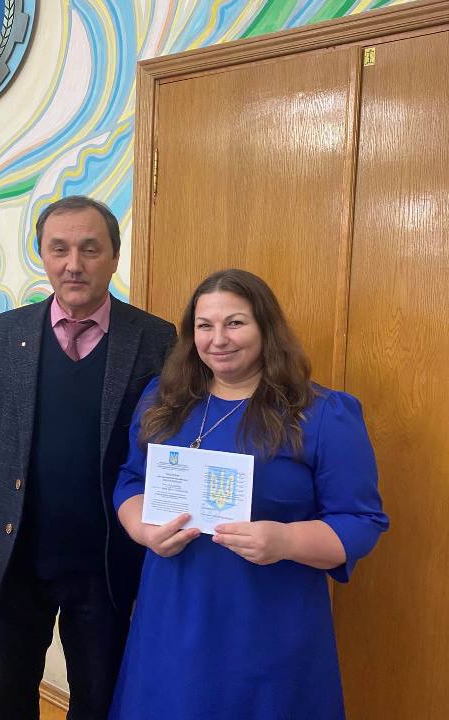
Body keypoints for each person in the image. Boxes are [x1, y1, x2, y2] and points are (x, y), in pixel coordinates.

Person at [109, 268, 389, 720]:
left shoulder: (321, 414)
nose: (218, 339)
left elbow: (361, 522)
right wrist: (142, 529)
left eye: (235, 323)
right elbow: (130, 480)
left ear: (266, 327)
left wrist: (286, 540)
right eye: (205, 326)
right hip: (171, 615)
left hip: (268, 624)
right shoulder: (163, 399)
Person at [0, 196, 176, 720]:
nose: (73, 264)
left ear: (114, 257)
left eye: (90, 249)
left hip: (105, 563)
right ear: (43, 255)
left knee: (98, 702)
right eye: (59, 249)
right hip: (14, 559)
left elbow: (167, 451)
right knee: (6, 700)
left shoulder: (155, 339)